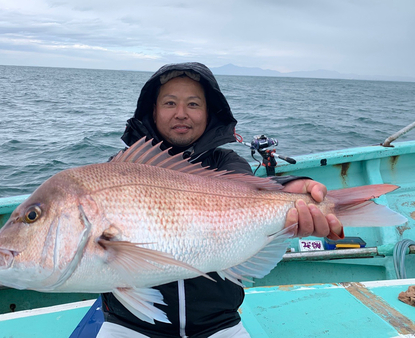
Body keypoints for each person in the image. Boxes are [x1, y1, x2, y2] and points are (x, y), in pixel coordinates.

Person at [98, 62, 343, 338]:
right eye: (169, 103)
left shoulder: (226, 162)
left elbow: (247, 193)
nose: (181, 114)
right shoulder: (120, 169)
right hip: (129, 324)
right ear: (153, 110)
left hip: (219, 324)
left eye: (193, 104)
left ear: (208, 112)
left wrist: (288, 189)